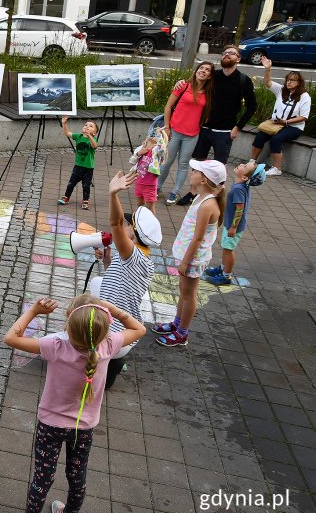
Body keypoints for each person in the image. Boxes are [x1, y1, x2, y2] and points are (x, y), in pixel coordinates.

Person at [3, 295, 146, 513]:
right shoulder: (108, 345)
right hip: (84, 428)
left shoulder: (55, 346)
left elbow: (11, 337)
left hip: (50, 426)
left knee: (42, 477)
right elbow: (138, 328)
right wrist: (111, 308)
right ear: (105, 329)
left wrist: (34, 312)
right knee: (77, 476)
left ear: (68, 322)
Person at [91, 171, 161, 389]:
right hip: (124, 330)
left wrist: (113, 194)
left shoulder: (133, 255)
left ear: (135, 232)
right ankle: (112, 365)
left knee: (75, 333)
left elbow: (116, 222)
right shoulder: (143, 259)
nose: (125, 228)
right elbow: (119, 278)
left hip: (115, 332)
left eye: (130, 226)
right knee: (97, 283)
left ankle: (102, 362)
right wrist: (108, 260)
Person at [154, 159, 225, 347]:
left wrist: (185, 262)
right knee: (183, 292)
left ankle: (182, 333)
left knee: (189, 295)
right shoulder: (200, 197)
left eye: (195, 171)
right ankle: (177, 324)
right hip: (188, 256)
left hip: (193, 259)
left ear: (204, 180)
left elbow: (198, 238)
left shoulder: (208, 205)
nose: (191, 173)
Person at [177, 46, 255, 205]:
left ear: (238, 59)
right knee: (198, 163)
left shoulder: (243, 81)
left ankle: (217, 197)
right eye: (225, 53)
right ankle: (192, 193)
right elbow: (195, 83)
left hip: (225, 132)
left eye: (232, 53)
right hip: (204, 128)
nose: (227, 55)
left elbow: (252, 106)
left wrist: (238, 127)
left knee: (220, 166)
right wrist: (181, 83)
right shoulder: (214, 76)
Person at [158, 61, 215, 205]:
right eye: (201, 68)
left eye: (207, 70)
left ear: (209, 76)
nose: (203, 71)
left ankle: (175, 192)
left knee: (183, 164)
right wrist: (167, 127)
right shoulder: (183, 86)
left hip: (192, 135)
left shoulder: (209, 93)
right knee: (166, 163)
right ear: (196, 70)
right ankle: (157, 188)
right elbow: (168, 106)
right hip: (174, 131)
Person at [204, 161, 266, 286]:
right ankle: (222, 268)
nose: (242, 164)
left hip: (234, 226)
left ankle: (226, 276)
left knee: (229, 249)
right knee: (226, 247)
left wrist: (233, 227)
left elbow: (240, 209)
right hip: (231, 223)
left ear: (244, 177)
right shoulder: (240, 186)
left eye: (245, 166)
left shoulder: (238, 189)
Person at [250, 57, 311, 176]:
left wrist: (286, 122)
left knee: (276, 139)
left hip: (293, 127)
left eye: (293, 80)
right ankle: (252, 162)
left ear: (299, 83)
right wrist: (268, 69)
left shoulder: (305, 96)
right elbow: (268, 83)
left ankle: (277, 168)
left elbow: (303, 117)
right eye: (288, 80)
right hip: (277, 123)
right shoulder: (281, 90)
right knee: (260, 136)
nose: (289, 82)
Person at [57, 117, 99, 210]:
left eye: (90, 126)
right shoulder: (78, 136)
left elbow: (94, 146)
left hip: (88, 168)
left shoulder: (93, 139)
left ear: (94, 133)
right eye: (86, 125)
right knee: (71, 183)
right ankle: (66, 197)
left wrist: (90, 137)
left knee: (86, 185)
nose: (87, 127)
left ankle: (85, 201)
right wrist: (64, 123)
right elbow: (67, 133)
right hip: (78, 166)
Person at [130, 135, 159, 212]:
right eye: (151, 135)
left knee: (150, 208)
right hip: (139, 182)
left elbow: (163, 151)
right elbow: (131, 161)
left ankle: (152, 223)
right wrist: (139, 153)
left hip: (150, 184)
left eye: (157, 135)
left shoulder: (157, 151)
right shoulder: (142, 148)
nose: (152, 137)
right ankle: (140, 221)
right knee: (139, 205)